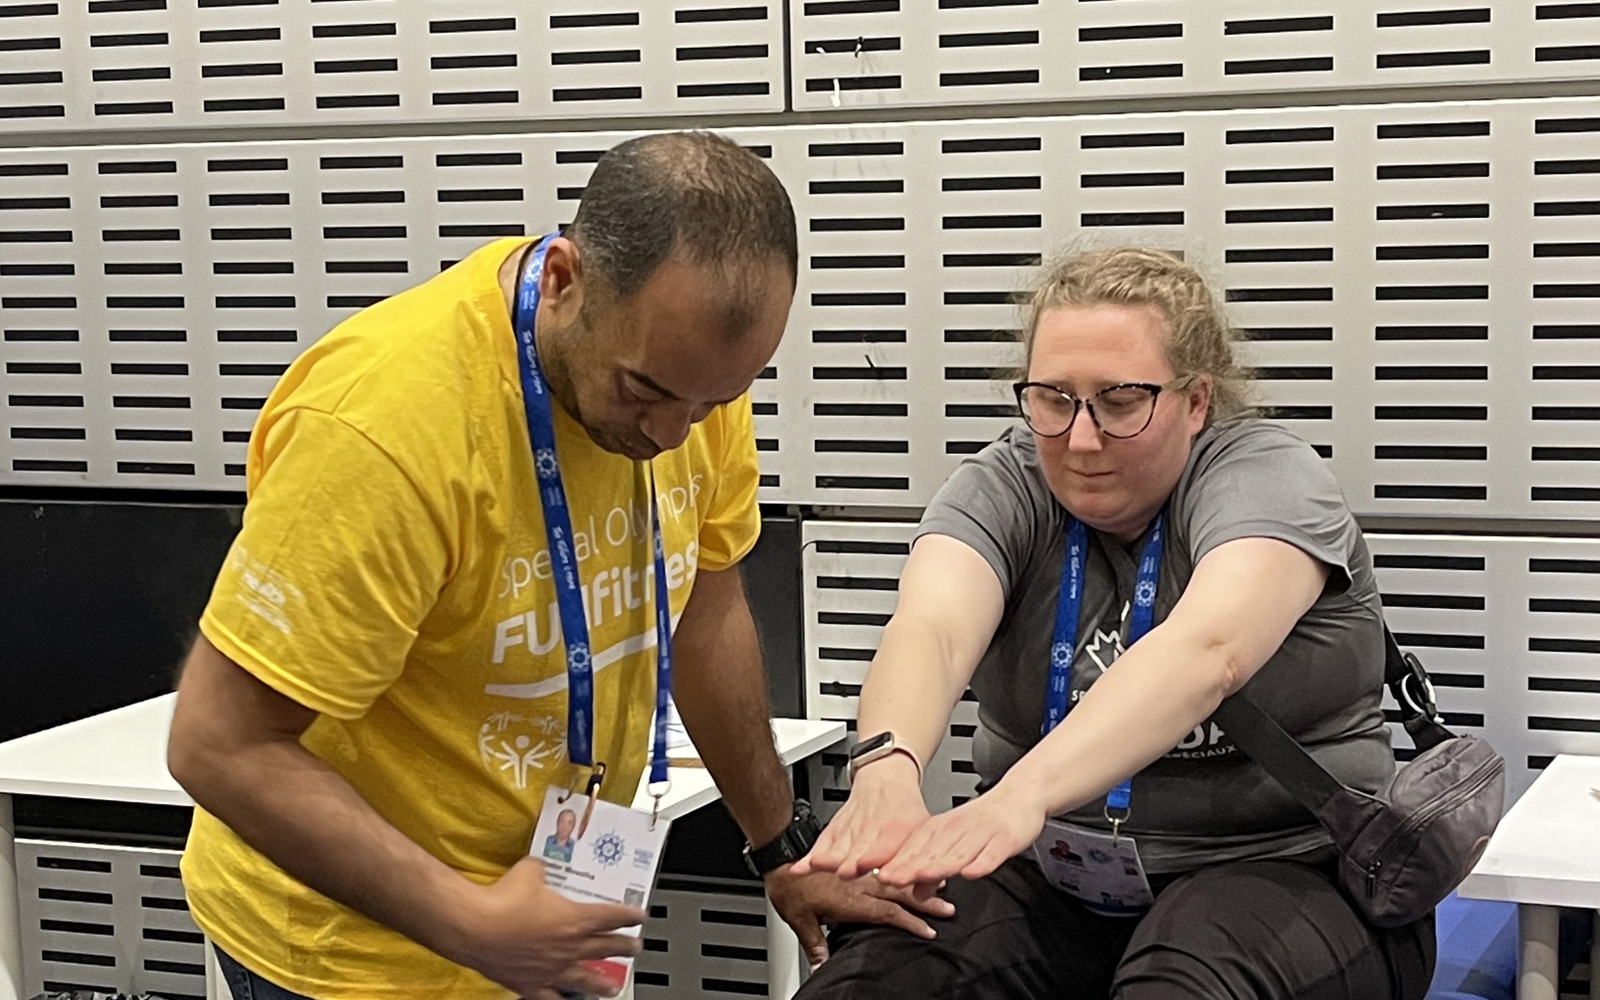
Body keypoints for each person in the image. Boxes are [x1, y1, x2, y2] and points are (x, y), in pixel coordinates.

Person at [166, 131, 943, 1000]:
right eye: (645, 391)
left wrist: (781, 848)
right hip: (354, 957)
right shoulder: (384, 431)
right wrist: (472, 922)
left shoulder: (685, 374)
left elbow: (701, 609)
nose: (671, 435)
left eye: (714, 400)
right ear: (567, 279)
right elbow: (219, 745)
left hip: (553, 908)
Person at [791, 247, 1438, 999]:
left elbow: (1209, 652)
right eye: (1053, 399)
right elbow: (931, 627)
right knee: (877, 981)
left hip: (1286, 865)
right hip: (1057, 876)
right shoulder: (1008, 485)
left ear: (1196, 401)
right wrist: (886, 772)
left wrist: (1018, 797)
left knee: (1181, 980)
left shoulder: (1267, 479)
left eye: (1121, 400)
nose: (1082, 437)